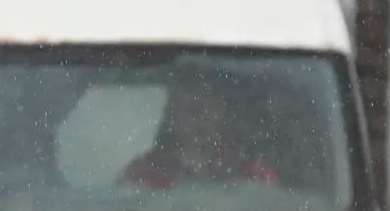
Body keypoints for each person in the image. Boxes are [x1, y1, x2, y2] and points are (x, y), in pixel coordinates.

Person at [119, 77, 279, 189]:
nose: (200, 119)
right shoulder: (142, 174)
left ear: (221, 113)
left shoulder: (251, 171)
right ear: (171, 116)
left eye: (207, 108)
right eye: (191, 110)